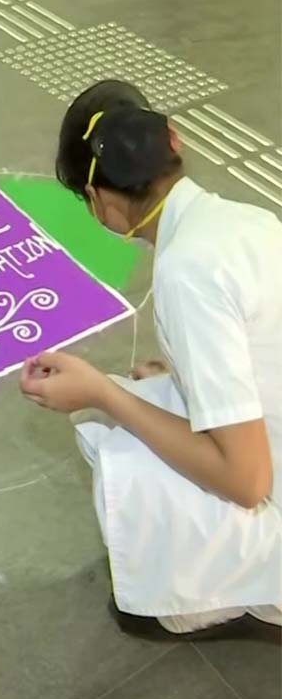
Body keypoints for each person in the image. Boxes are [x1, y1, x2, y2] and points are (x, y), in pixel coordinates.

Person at [20, 80, 281, 637]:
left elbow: (248, 481)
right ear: (174, 140)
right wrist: (178, 372)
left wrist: (102, 392)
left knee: (119, 448)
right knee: (150, 397)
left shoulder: (187, 270)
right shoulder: (247, 220)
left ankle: (246, 595)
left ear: (101, 203)